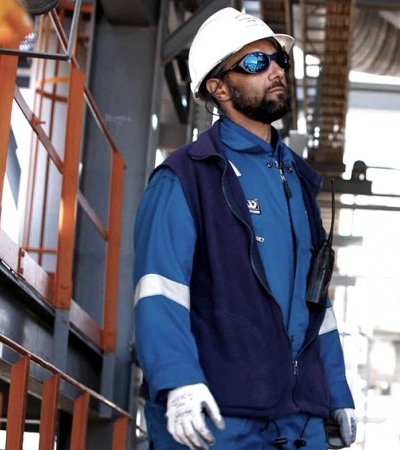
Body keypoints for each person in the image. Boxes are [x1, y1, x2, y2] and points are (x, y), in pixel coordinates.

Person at [133, 7, 356, 449]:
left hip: (296, 421)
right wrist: (178, 380)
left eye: (279, 60)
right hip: (216, 416)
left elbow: (317, 304)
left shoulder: (298, 182)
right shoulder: (186, 178)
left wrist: (336, 393)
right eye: (256, 62)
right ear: (218, 88)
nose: (276, 70)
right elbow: (160, 289)